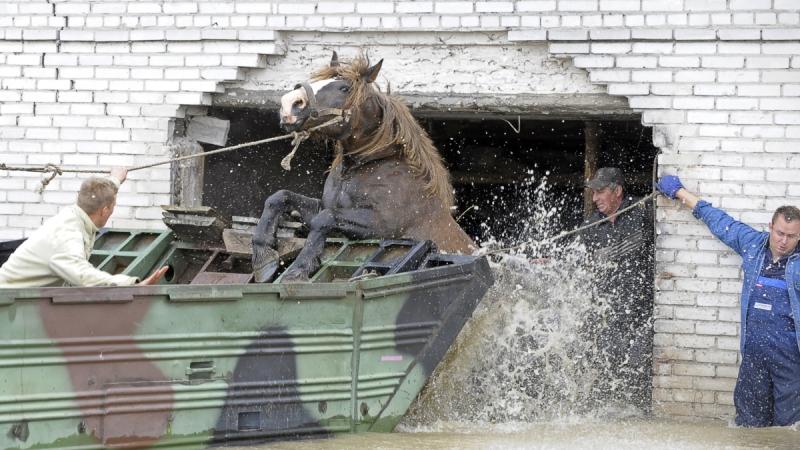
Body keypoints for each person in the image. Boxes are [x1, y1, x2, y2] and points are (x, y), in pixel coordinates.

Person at [658, 175, 800, 427]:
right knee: (748, 426)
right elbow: (719, 220)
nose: (783, 241)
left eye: (791, 236)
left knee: (789, 429)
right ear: (770, 226)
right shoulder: (753, 246)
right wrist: (680, 192)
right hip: (753, 358)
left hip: (790, 362)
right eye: (779, 233)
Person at [0, 168, 168, 288]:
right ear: (105, 210)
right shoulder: (69, 235)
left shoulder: (78, 211)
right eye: (113, 206)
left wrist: (115, 180)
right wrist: (131, 283)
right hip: (7, 303)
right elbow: (82, 276)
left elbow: (97, 194)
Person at [579, 167, 654, 411]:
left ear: (617, 191)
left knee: (637, 369)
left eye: (600, 192)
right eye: (593, 193)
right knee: (608, 370)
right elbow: (574, 259)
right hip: (611, 316)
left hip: (645, 315)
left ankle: (640, 416)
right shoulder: (591, 227)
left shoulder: (641, 211)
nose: (595, 199)